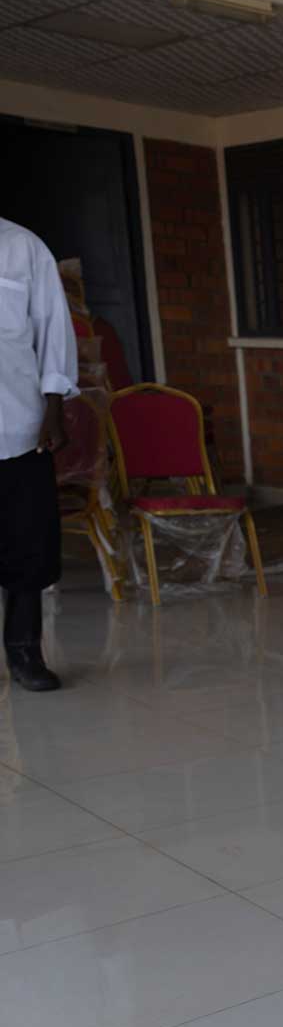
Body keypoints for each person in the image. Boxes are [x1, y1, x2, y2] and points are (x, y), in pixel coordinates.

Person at [1, 218, 77, 694]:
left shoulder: (23, 247)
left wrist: (54, 406)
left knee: (28, 546)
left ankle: (26, 651)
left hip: (17, 426)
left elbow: (53, 328)